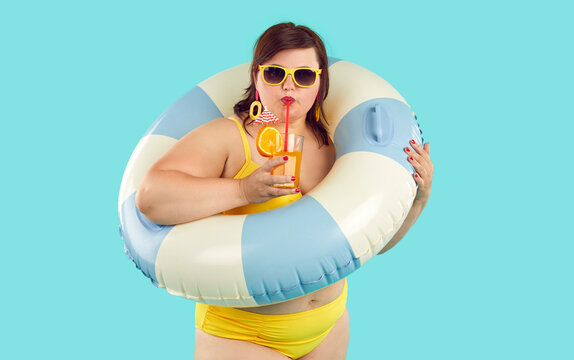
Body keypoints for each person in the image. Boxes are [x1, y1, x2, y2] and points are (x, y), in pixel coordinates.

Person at [136, 22, 433, 360]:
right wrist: (243, 190)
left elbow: (369, 243)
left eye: (304, 76)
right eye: (275, 73)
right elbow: (151, 196)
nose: (289, 85)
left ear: (319, 84)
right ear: (257, 77)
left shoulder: (335, 144)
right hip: (243, 337)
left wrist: (417, 202)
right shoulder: (230, 138)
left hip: (329, 326)